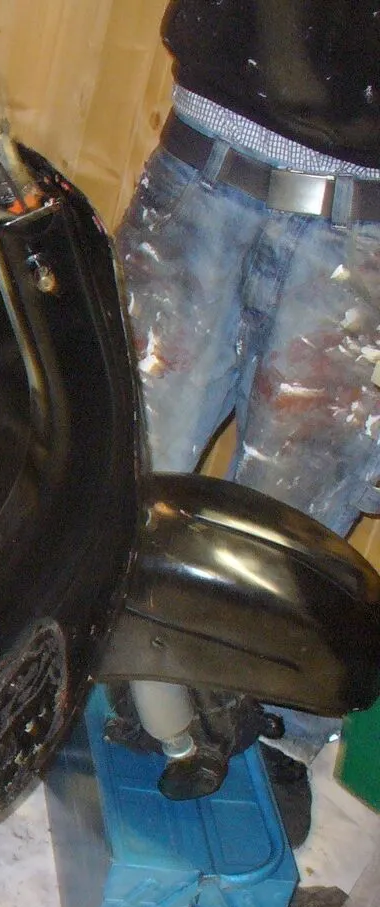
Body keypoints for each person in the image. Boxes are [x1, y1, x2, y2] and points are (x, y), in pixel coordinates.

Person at [115, 0, 380, 765]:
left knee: (295, 526)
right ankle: (125, 666)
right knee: (121, 461)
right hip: (203, 155)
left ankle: (270, 739)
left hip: (366, 218)